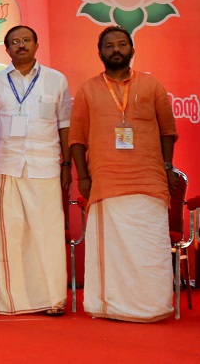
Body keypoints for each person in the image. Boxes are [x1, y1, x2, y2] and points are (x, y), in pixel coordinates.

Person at [70, 26, 178, 322]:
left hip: (149, 180)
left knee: (150, 247)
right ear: (100, 53)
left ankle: (152, 307)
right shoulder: (88, 89)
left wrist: (167, 168)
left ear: (132, 49)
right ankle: (110, 306)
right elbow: (77, 140)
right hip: (106, 181)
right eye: (109, 46)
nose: (115, 49)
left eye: (121, 44)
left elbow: (168, 132)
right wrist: (84, 177)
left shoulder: (151, 85)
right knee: (112, 250)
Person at [0, 25, 72, 317]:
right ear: (6, 49)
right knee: (13, 236)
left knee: (48, 234)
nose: (20, 45)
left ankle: (54, 299)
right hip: (8, 168)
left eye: (25, 40)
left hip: (45, 166)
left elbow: (65, 127)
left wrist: (67, 164)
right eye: (14, 42)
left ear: (36, 44)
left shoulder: (55, 80)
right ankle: (14, 302)